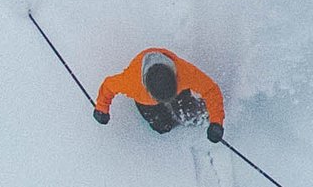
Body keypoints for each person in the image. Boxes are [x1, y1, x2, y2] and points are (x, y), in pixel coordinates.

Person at [94, 48, 225, 142]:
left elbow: (210, 90)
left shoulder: (184, 72)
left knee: (191, 113)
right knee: (162, 127)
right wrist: (101, 109)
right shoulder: (131, 83)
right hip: (145, 101)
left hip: (178, 90)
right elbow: (108, 86)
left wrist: (216, 122)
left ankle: (194, 107)